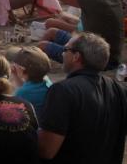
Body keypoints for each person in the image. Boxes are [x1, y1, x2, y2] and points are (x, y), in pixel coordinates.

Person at [37, 32, 127, 162]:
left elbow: (46, 150)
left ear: (76, 57)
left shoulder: (63, 91)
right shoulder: (120, 90)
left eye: (65, 49)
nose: (62, 53)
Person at [40, 0, 123, 67]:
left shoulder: (90, 0)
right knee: (51, 32)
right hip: (106, 53)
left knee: (42, 45)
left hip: (99, 60)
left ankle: (33, 68)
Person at [10, 46, 52, 117]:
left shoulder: (22, 93)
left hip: (36, 126)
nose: (13, 64)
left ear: (22, 69)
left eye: (15, 63)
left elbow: (14, 115)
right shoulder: (46, 80)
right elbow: (26, 87)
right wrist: (15, 75)